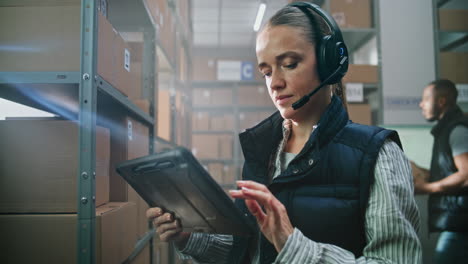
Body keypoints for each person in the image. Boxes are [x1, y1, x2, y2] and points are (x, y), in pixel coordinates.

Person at [147, 2, 422, 263]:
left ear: (329, 63)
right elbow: (249, 251)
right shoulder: (262, 151)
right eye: (266, 72)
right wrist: (189, 238)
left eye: (289, 64)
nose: (275, 83)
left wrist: (294, 246)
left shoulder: (378, 155)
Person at [412, 79, 468, 264]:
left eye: (426, 99)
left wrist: (425, 188)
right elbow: (449, 172)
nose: (421, 104)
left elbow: (466, 175)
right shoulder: (445, 130)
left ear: (441, 101)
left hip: (460, 224)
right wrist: (415, 169)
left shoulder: (457, 130)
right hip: (455, 222)